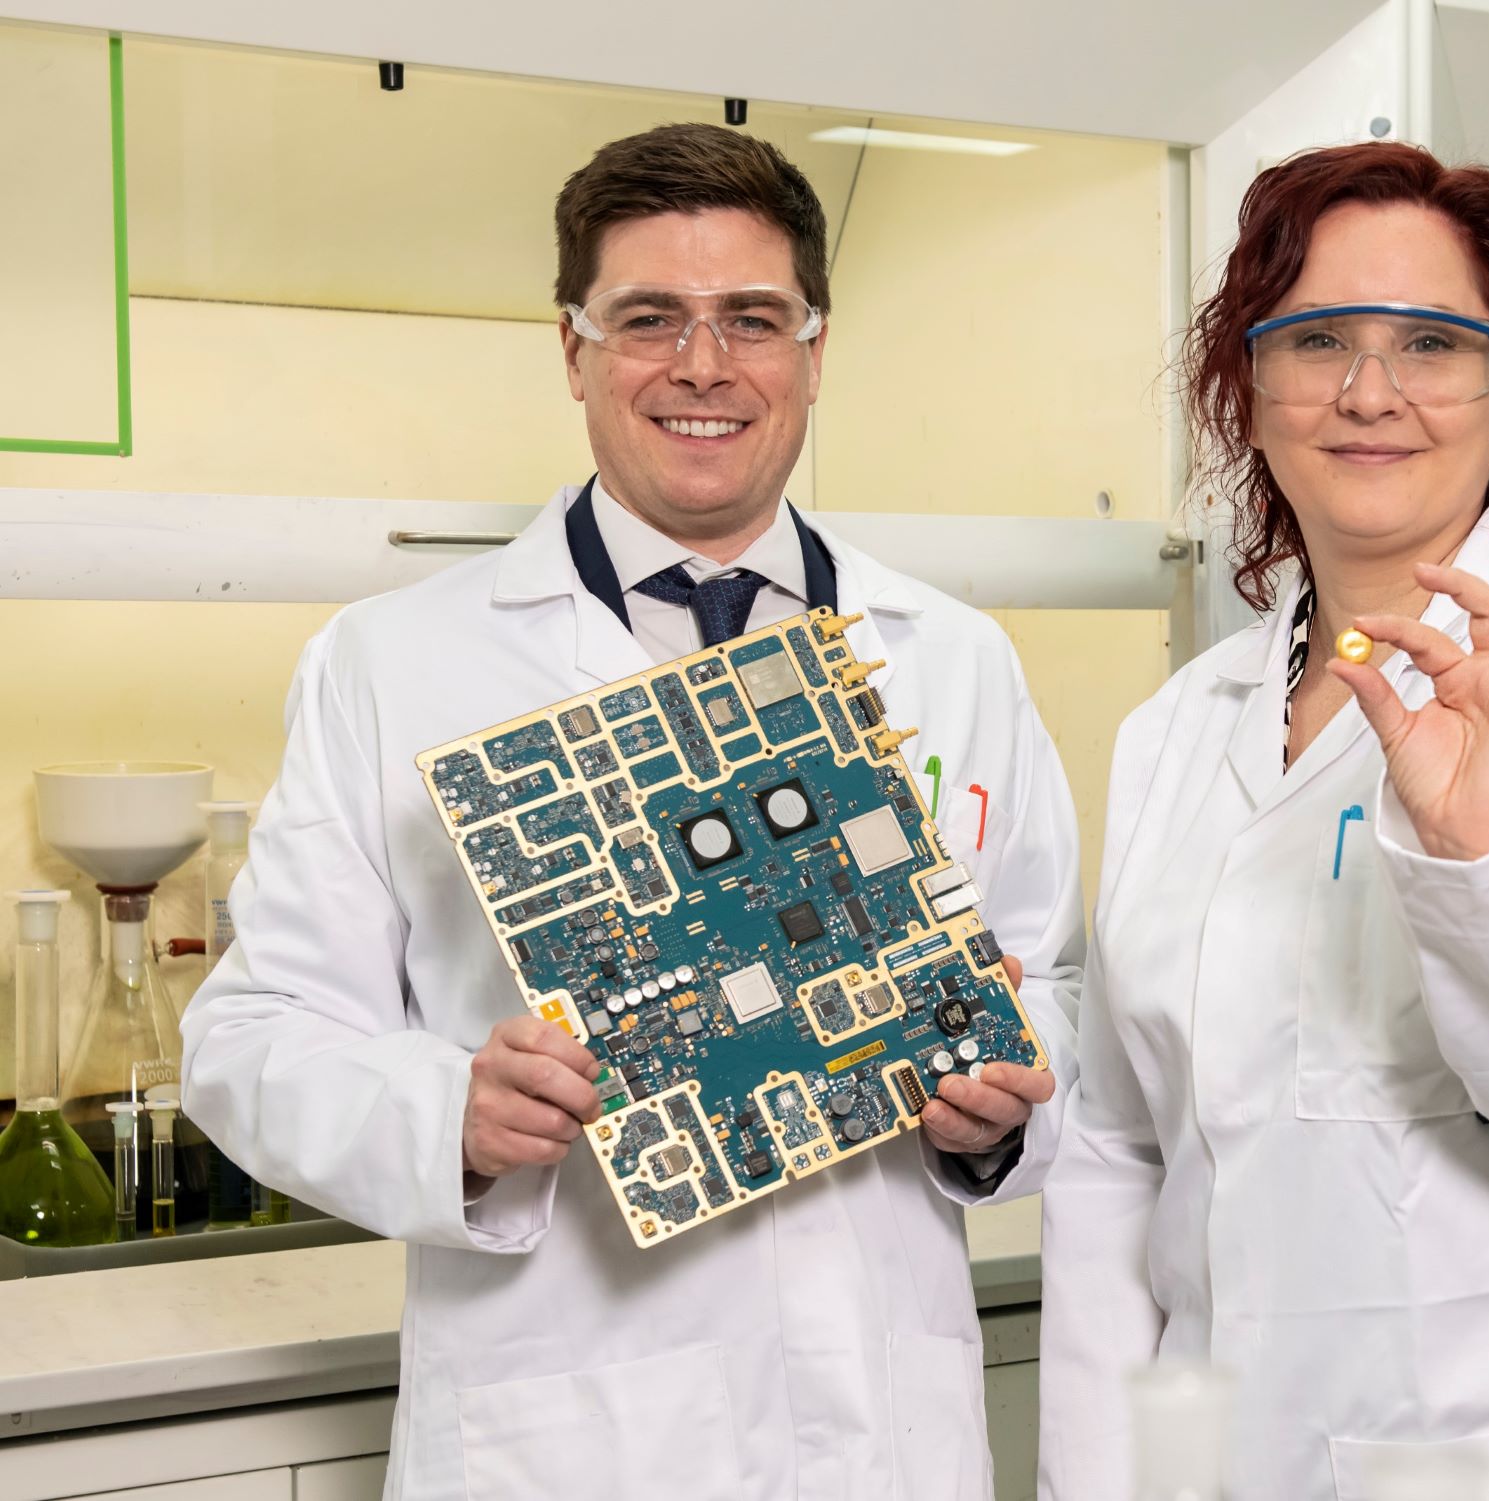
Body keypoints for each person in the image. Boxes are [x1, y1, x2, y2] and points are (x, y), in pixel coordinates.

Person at [182, 123, 1083, 1501]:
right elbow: (250, 1039)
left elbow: (1053, 979)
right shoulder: (394, 661)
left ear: (815, 352)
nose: (703, 364)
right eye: (649, 317)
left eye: (753, 319)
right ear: (574, 351)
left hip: (883, 1433)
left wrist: (1002, 1104)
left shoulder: (951, 655)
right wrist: (452, 1116)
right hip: (570, 1435)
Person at [1038, 141, 1489, 1499]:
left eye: (1432, 344)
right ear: (1248, 392)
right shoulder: (1181, 728)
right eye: (1316, 339)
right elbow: (1119, 1157)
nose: (1368, 392)